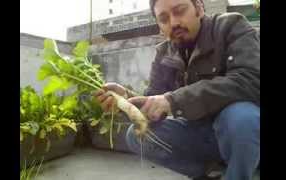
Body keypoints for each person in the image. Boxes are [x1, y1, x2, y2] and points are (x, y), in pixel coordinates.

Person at [93, 0, 260, 179]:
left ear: (199, 8)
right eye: (164, 19)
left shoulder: (231, 26)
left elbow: (250, 79)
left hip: (237, 130)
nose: (174, 23)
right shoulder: (164, 53)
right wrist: (125, 100)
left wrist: (174, 101)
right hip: (202, 132)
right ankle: (209, 174)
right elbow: (153, 102)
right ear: (159, 26)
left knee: (242, 117)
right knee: (137, 135)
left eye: (180, 11)